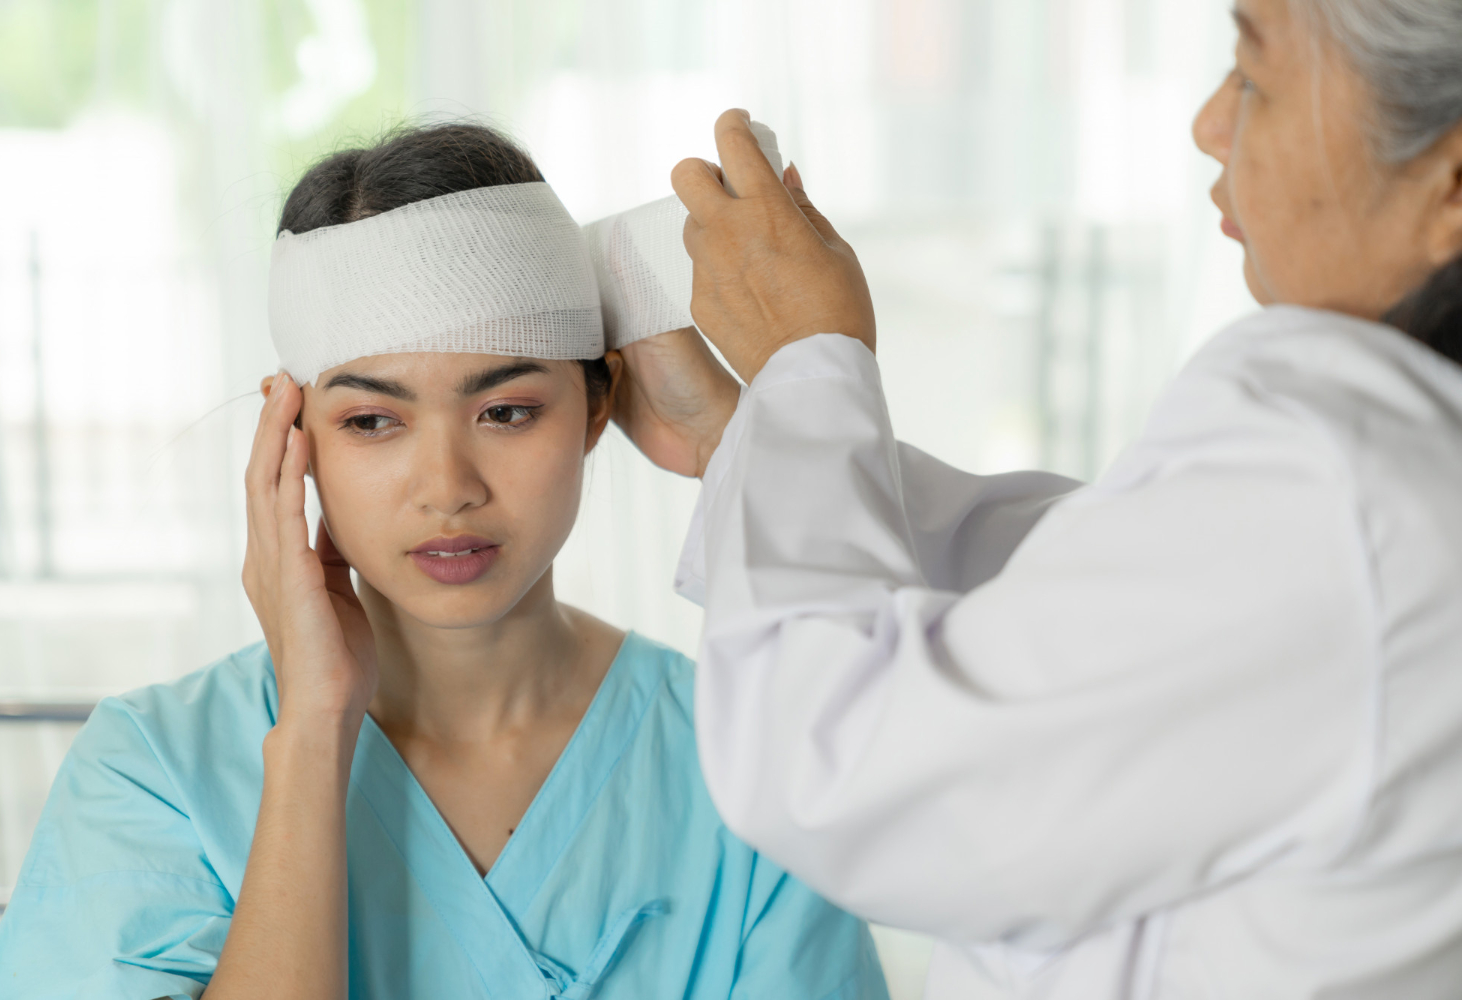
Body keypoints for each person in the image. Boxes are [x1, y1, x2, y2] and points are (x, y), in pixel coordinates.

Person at [611, 0, 1462, 996]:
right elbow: (1099, 603)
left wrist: (808, 363)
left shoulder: (1341, 486)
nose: (1208, 124)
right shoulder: (1377, 484)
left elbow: (840, 767)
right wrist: (746, 435)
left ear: (1450, 183)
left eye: (1257, 76)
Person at [0, 124, 888, 1000]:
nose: (447, 487)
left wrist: (750, 441)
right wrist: (313, 731)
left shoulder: (743, 756)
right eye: (372, 421)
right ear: (294, 440)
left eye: (507, 411)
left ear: (597, 405)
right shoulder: (155, 769)